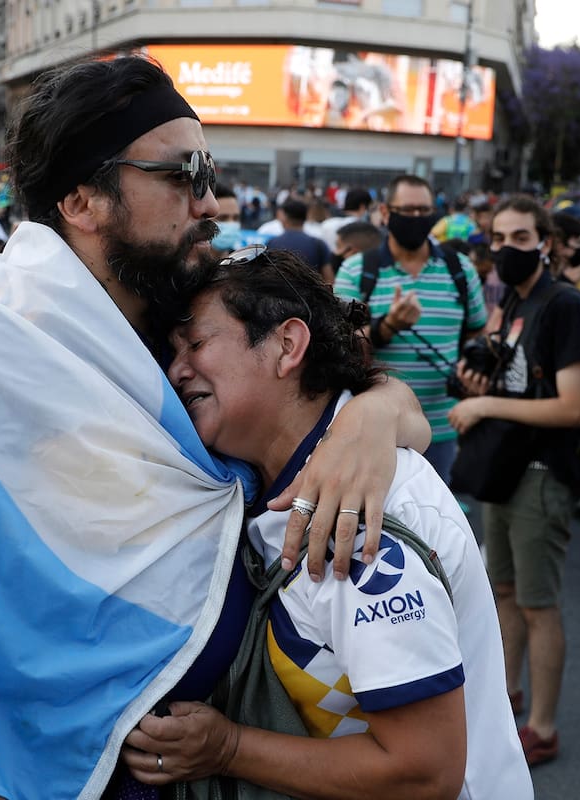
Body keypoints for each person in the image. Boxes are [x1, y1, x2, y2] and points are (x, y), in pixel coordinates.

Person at [0, 55, 431, 800]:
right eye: (181, 176)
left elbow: (364, 388)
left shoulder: (176, 314)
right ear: (83, 201)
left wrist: (369, 419)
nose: (212, 201)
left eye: (211, 173)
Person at [121, 245, 531, 798]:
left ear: (287, 345)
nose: (177, 370)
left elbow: (424, 771)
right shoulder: (265, 472)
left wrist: (227, 748)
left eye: (195, 343)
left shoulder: (363, 524)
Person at [447, 195, 580, 766]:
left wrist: (486, 407)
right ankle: (507, 700)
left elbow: (571, 407)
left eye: (520, 239)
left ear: (547, 243)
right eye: (499, 239)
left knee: (539, 604)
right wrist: (479, 382)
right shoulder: (515, 298)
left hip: (541, 473)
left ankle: (543, 724)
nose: (506, 249)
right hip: (507, 470)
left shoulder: (564, 306)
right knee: (504, 592)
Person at [335, 175, 488, 486]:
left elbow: (475, 332)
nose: (417, 219)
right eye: (408, 211)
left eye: (424, 211)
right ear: (386, 213)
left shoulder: (460, 269)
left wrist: (473, 370)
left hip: (443, 426)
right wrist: (388, 326)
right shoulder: (358, 270)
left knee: (433, 523)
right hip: (375, 428)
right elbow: (339, 343)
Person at [265, 198, 333, 282]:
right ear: (306, 217)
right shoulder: (318, 244)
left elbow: (265, 275)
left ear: (285, 217)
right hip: (311, 294)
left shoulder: (272, 243)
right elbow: (329, 279)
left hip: (278, 293)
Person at [209, 187, 242, 257]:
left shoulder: (244, 263)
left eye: (236, 218)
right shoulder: (186, 266)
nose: (231, 223)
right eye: (222, 218)